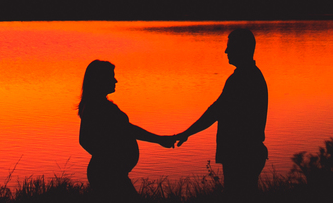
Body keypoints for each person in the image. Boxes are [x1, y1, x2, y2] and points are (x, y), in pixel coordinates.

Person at [174, 28, 268, 197]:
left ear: (242, 48)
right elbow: (217, 110)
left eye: (230, 46)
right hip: (246, 151)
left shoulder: (242, 79)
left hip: (241, 153)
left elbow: (215, 111)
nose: (226, 51)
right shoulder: (249, 75)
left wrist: (187, 133)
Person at [78, 59, 176, 197]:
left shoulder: (97, 106)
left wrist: (159, 139)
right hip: (109, 174)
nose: (115, 80)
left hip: (111, 172)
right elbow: (85, 140)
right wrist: (108, 159)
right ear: (100, 80)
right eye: (111, 77)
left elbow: (126, 129)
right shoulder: (99, 108)